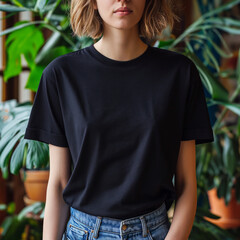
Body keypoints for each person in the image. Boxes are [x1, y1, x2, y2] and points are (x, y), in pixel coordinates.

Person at [24, 0, 214, 239]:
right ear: (92, 2)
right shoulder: (61, 75)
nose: (122, 0)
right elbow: (59, 182)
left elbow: (186, 183)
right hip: (82, 232)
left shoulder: (179, 73)